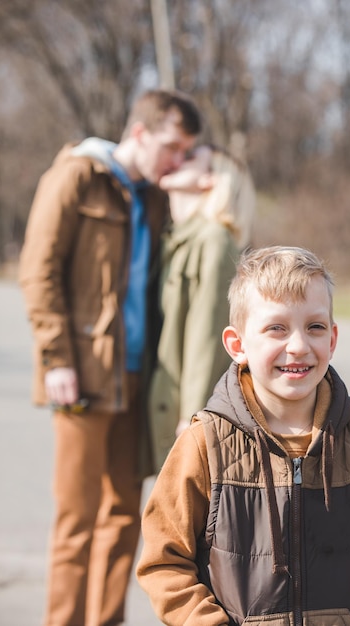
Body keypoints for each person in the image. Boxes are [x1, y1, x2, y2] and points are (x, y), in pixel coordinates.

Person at [136, 245, 350, 626]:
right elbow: (164, 562)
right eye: (276, 328)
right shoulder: (204, 444)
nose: (298, 346)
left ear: (332, 339)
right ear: (238, 345)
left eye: (314, 327)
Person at [19, 89, 202, 626]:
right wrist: (57, 359)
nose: (177, 160)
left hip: (138, 379)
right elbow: (39, 271)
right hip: (81, 376)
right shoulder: (77, 176)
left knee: (124, 513)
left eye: (186, 151)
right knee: (77, 517)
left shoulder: (154, 196)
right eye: (172, 146)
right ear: (140, 133)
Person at [148, 144, 256, 471]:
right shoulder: (177, 237)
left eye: (190, 156)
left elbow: (207, 338)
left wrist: (193, 417)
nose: (177, 158)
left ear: (210, 179)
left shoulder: (213, 240)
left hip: (185, 416)